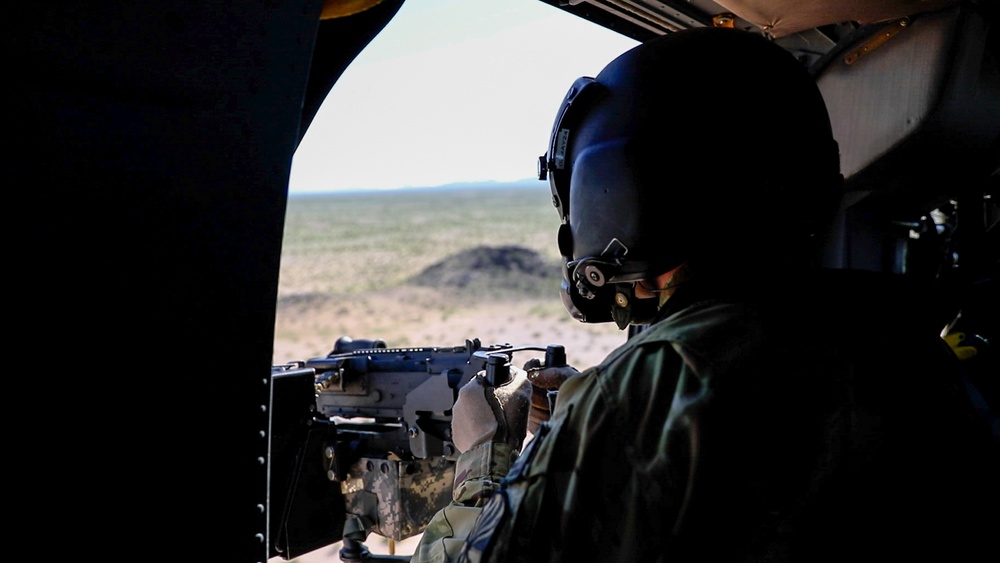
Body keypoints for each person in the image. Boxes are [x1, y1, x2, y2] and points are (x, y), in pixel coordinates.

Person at [411, 26, 999, 563]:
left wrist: (483, 463)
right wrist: (591, 417)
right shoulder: (904, 344)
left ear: (619, 194)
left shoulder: (648, 389)